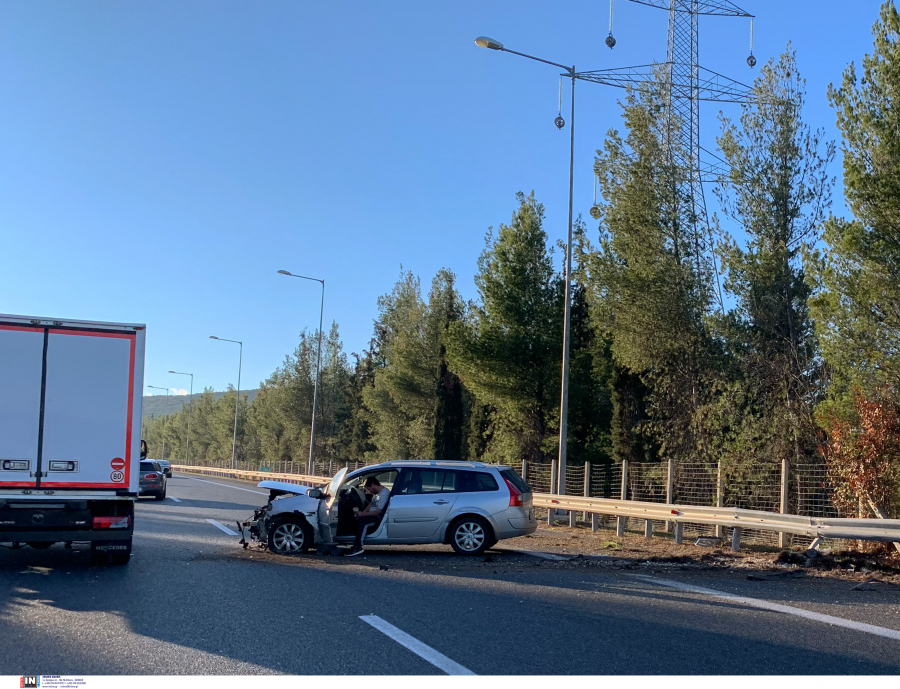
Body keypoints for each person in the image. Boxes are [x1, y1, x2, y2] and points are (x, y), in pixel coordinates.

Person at [345, 476, 390, 557]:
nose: (369, 491)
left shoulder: (384, 494)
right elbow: (371, 504)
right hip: (371, 514)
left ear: (373, 485)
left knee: (363, 522)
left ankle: (358, 546)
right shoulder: (377, 494)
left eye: (369, 489)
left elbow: (378, 512)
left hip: (377, 517)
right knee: (357, 519)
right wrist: (362, 513)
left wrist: (362, 515)